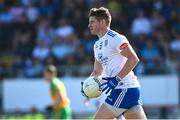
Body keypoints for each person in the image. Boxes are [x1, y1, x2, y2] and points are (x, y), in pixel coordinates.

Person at [81, 7, 147, 119]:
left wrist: (116, 79)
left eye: (92, 22)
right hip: (127, 89)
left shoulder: (115, 38)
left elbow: (133, 59)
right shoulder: (97, 45)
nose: (89, 25)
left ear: (102, 22)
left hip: (124, 88)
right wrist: (87, 86)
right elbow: (97, 71)